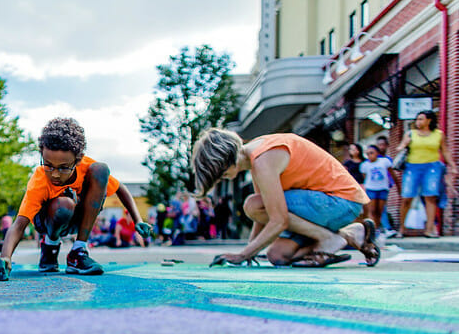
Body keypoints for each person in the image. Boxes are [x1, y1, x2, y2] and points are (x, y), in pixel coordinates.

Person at [0, 117, 151, 280]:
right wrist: (5, 257)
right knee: (64, 204)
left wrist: (137, 220)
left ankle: (78, 252)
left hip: (77, 220)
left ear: (78, 159)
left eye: (63, 168)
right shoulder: (39, 180)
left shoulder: (87, 166)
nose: (55, 174)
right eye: (48, 165)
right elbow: (19, 224)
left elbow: (120, 188)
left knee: (101, 169)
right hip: (47, 222)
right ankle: (50, 247)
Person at [193, 129, 378, 267]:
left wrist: (242, 255)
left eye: (222, 174)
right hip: (323, 207)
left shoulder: (263, 160)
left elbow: (277, 219)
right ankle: (349, 235)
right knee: (278, 256)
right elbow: (265, 211)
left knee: (251, 205)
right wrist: (250, 251)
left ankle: (328, 239)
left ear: (227, 160)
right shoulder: (255, 158)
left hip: (341, 201)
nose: (222, 178)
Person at [394, 110, 456, 238]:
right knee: (407, 197)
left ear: (429, 120)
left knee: (430, 197)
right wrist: (403, 145)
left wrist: (453, 166)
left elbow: (445, 151)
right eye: (417, 119)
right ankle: (402, 229)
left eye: (421, 119)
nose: (418, 122)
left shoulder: (438, 134)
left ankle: (429, 230)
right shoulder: (410, 134)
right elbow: (399, 148)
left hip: (432, 167)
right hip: (412, 167)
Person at [359, 145, 393, 238]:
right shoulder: (364, 165)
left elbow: (391, 173)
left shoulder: (384, 162)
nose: (370, 155)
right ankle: (373, 230)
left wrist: (396, 185)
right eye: (368, 154)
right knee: (372, 210)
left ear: (377, 153)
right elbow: (365, 177)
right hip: (371, 188)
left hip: (383, 188)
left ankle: (377, 228)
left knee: (380, 210)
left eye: (372, 153)